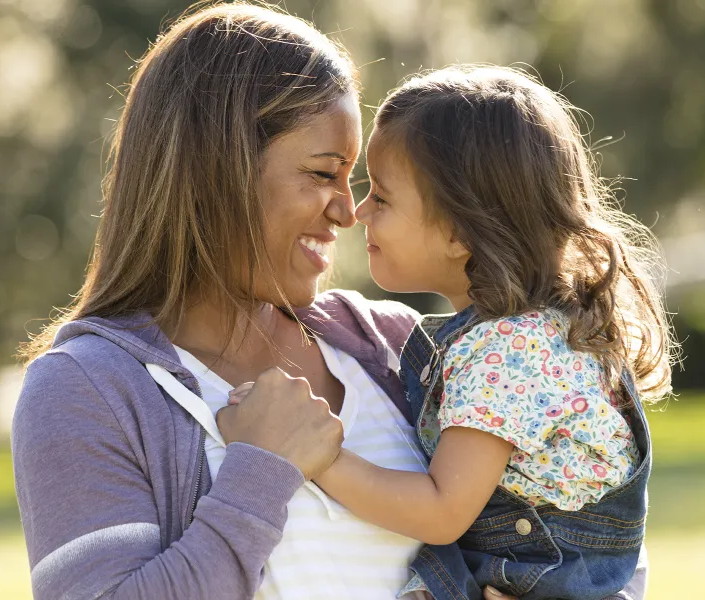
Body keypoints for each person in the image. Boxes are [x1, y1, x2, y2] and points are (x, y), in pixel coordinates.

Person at [11, 2, 646, 598]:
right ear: (213, 172)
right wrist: (260, 468)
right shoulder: (85, 389)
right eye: (323, 174)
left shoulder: (399, 346)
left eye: (359, 181)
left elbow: (587, 526)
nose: (348, 212)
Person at [252, 65, 669, 599]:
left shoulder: (506, 351)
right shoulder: (528, 333)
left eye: (381, 197)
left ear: (458, 231)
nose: (358, 214)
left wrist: (321, 458)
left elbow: (442, 510)